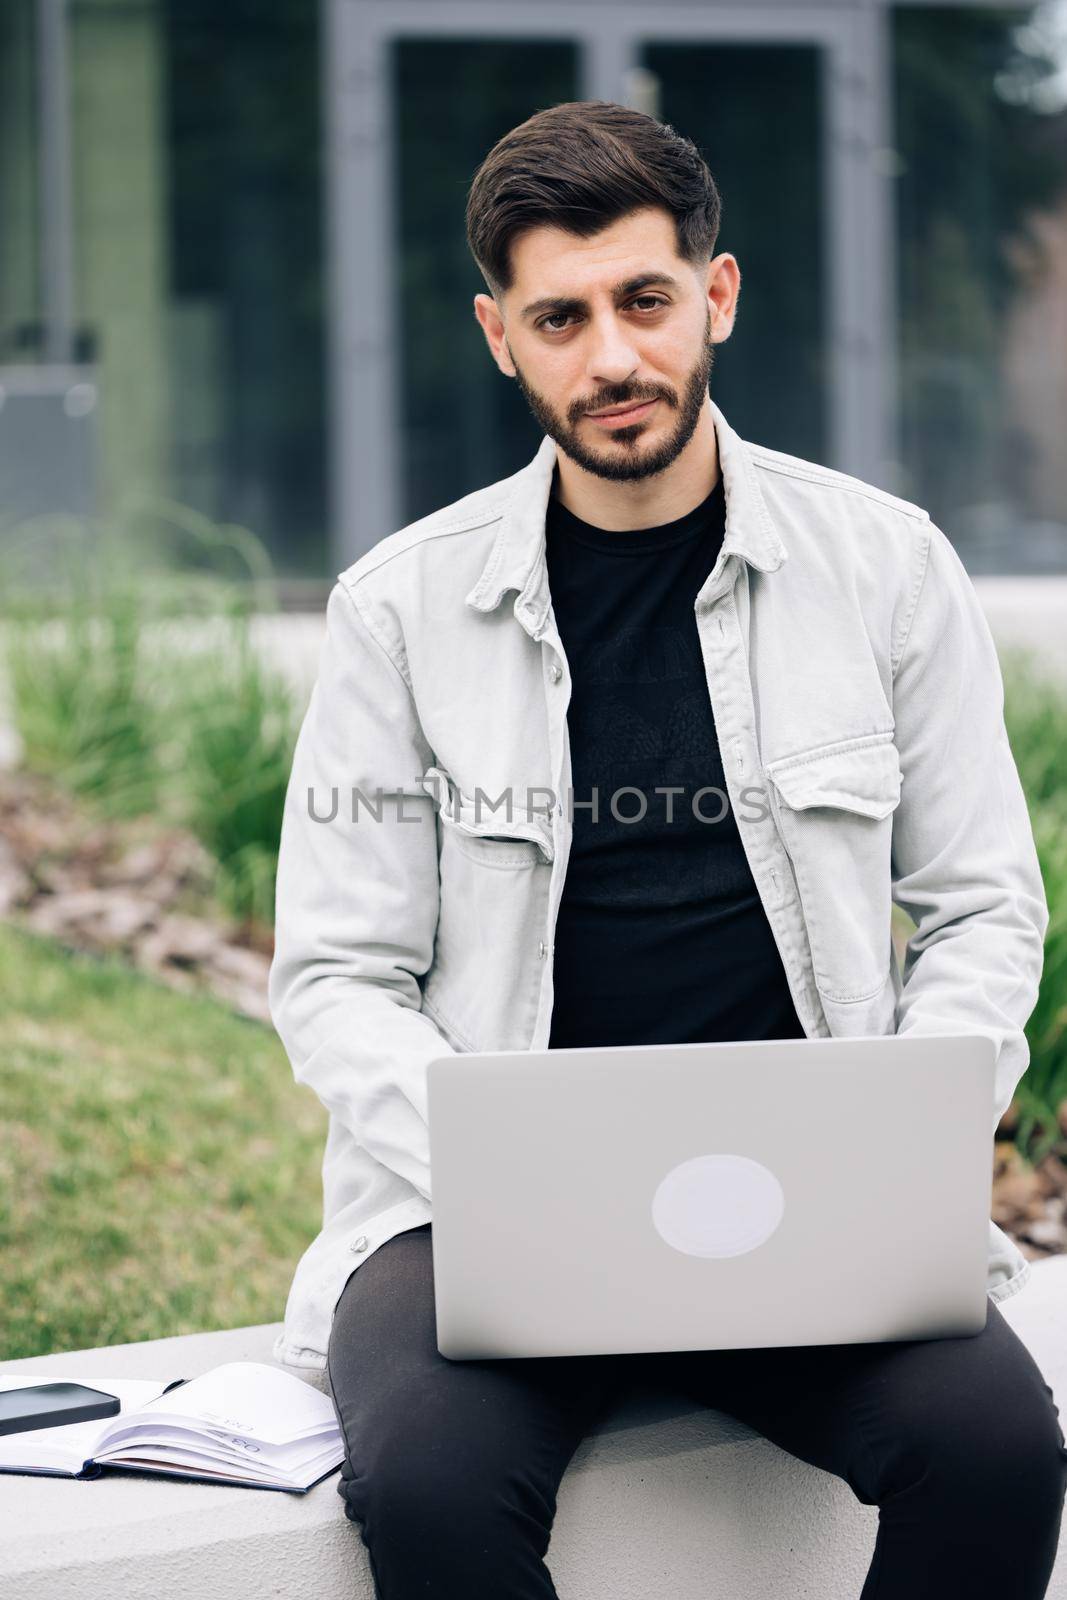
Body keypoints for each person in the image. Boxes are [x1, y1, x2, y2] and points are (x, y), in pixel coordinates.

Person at [268, 100, 1067, 1597]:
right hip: (476, 1219)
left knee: (1000, 1452)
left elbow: (980, 910)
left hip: (816, 1208)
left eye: (643, 301)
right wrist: (515, 1177)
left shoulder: (887, 569)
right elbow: (335, 974)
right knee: (435, 1488)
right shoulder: (400, 609)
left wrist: (905, 1139)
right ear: (503, 336)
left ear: (717, 296)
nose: (612, 359)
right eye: (560, 318)